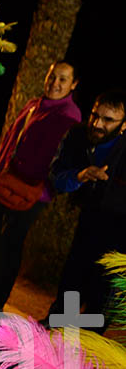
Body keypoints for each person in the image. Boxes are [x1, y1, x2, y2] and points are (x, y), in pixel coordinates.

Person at [0, 61, 81, 312]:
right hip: (8, 182)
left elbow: (57, 158)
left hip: (34, 191)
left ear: (73, 84)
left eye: (63, 79)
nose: (55, 83)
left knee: (10, 242)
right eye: (52, 76)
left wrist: (41, 184)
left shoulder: (69, 116)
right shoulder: (35, 105)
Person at [41, 89, 126, 333]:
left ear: (123, 125)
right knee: (74, 273)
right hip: (90, 219)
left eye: (108, 120)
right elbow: (56, 175)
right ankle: (57, 325)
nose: (98, 124)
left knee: (103, 290)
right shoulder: (79, 137)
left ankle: (88, 343)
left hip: (120, 232)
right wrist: (80, 176)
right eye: (94, 115)